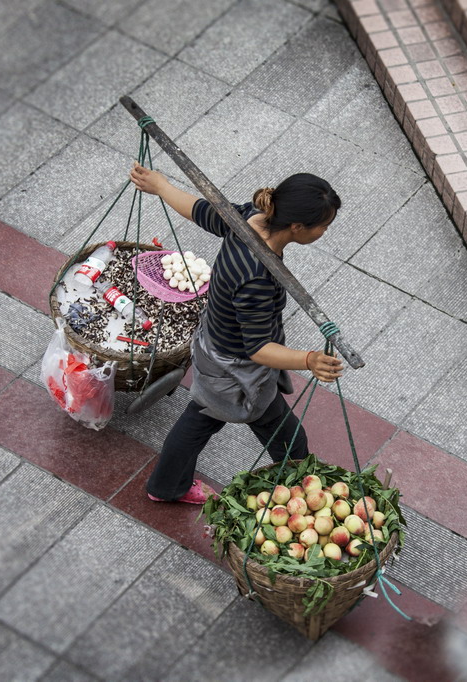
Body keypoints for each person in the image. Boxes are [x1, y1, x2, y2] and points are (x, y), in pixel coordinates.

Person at [129, 162, 344, 503]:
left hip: (215, 337)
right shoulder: (256, 275)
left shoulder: (251, 217)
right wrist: (309, 360)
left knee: (205, 416)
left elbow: (201, 211)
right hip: (234, 366)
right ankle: (301, 490)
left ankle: (167, 485)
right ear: (297, 226)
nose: (324, 233)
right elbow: (257, 347)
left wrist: (162, 186)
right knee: (280, 435)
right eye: (323, 227)